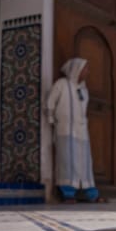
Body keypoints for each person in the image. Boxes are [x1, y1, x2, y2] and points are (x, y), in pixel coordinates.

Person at [45, 57, 104, 203]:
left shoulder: (84, 90)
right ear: (76, 69)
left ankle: (91, 194)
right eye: (85, 68)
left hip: (82, 133)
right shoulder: (62, 84)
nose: (87, 72)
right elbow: (49, 103)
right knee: (67, 163)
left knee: (84, 164)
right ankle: (68, 194)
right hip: (65, 131)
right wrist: (52, 120)